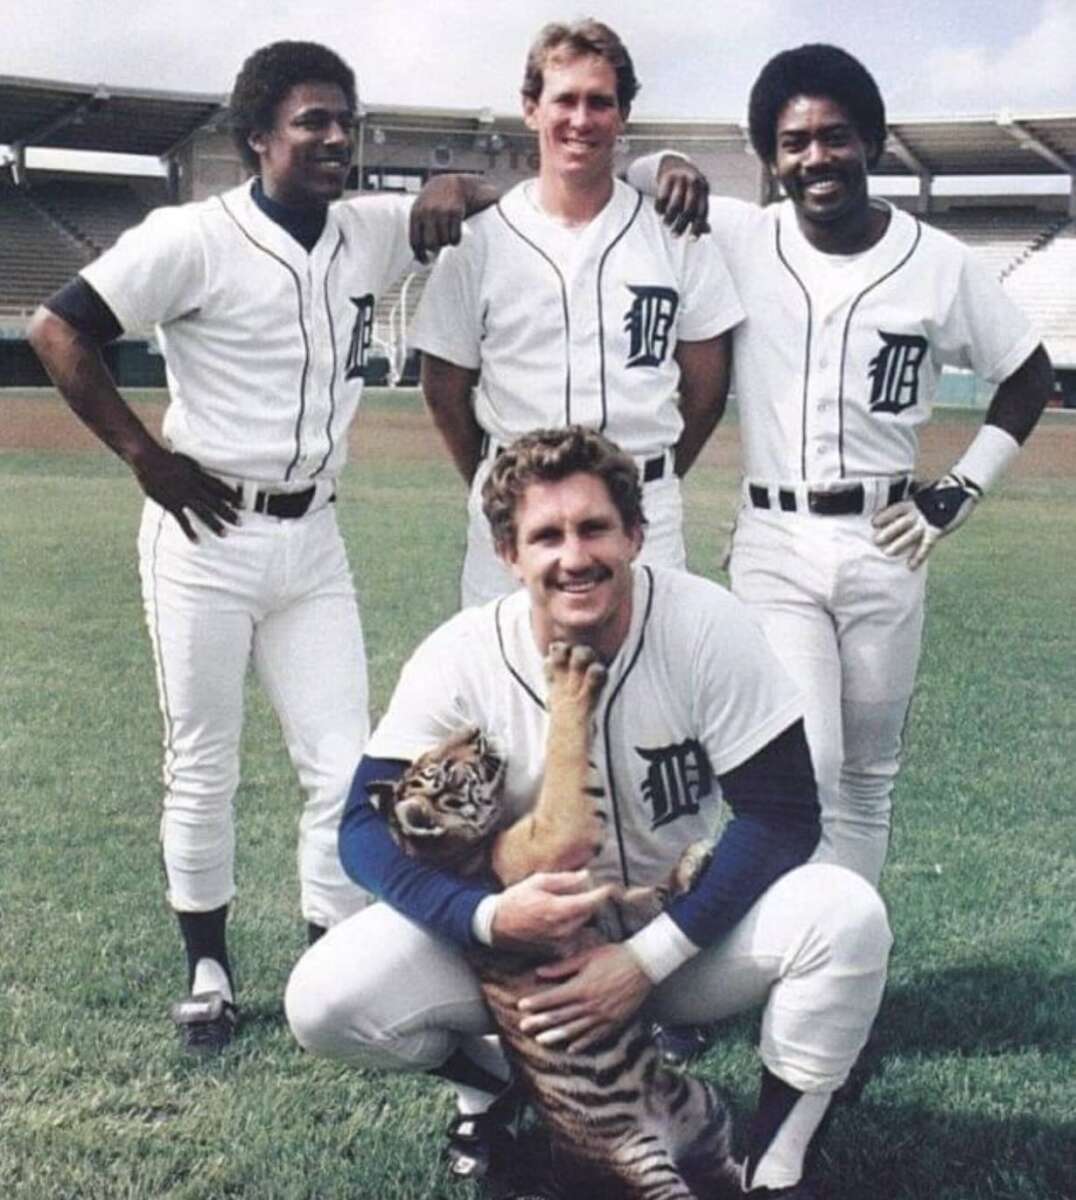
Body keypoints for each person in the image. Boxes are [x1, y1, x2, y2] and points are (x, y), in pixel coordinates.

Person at [28, 40, 497, 1055]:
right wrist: (142, 454)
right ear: (256, 139)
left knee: (342, 762)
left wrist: (458, 178)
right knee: (202, 763)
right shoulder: (192, 235)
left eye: (346, 121)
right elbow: (56, 329)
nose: (335, 139)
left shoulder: (369, 230)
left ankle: (328, 951)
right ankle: (208, 963)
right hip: (204, 529)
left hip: (311, 536)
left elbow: (484, 195)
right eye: (311, 122)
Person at [285, 426, 892, 1199]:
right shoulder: (463, 653)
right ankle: (504, 1088)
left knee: (845, 913)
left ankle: (776, 1170)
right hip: (522, 965)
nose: (575, 556)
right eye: (547, 536)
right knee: (326, 998)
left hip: (682, 936)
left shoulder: (705, 626)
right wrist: (484, 919)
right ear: (509, 555)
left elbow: (783, 815)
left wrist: (645, 962)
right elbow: (363, 829)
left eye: (594, 527)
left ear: (636, 533)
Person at [631, 44, 1054, 887]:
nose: (815, 157)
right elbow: (638, 175)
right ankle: (723, 923)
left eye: (835, 136)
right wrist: (666, 159)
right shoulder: (748, 236)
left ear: (872, 141)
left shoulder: (939, 261)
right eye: (793, 143)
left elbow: (1029, 374)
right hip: (774, 539)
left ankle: (845, 968)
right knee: (804, 758)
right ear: (770, 157)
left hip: (887, 541)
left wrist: (960, 490)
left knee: (866, 777)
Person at [411, 19, 742, 608]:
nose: (581, 119)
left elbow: (707, 390)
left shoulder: (677, 232)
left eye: (600, 102)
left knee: (647, 690)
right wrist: (507, 479)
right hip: (517, 507)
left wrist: (643, 481)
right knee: (507, 689)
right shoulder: (481, 238)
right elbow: (443, 389)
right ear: (531, 108)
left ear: (623, 115)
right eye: (565, 99)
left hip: (645, 505)